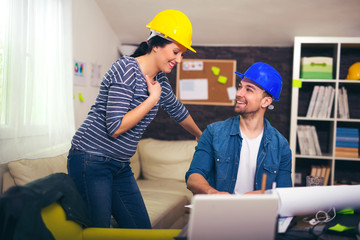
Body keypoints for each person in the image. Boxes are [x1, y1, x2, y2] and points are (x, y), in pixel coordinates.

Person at [67, 9, 202, 229]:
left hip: (120, 164)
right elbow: (115, 126)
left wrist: (200, 135)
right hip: (91, 159)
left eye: (182, 54)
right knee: (98, 231)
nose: (179, 59)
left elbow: (177, 110)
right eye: (176, 52)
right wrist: (152, 99)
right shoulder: (126, 68)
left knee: (140, 229)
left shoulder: (160, 81)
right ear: (156, 45)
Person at [185, 62, 292, 195]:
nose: (238, 93)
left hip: (258, 214)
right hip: (219, 211)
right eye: (240, 87)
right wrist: (212, 193)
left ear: (266, 101)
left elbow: (285, 192)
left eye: (249, 89)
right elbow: (193, 177)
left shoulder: (281, 146)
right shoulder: (213, 132)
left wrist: (260, 195)